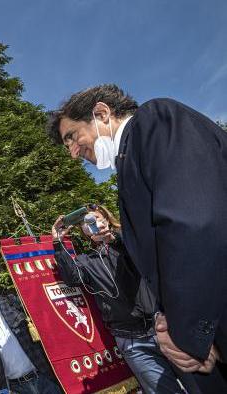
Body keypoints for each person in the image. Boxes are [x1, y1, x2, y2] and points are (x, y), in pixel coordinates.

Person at [46, 84, 227, 392]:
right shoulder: (129, 162)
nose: (73, 153)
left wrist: (188, 335)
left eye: (72, 137)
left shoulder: (153, 121)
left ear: (102, 114)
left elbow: (194, 224)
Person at [52, 204, 196, 393]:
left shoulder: (127, 243)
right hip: (133, 343)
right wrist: (57, 242)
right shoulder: (86, 261)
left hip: (166, 329)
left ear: (106, 219)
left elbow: (144, 248)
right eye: (88, 223)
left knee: (200, 384)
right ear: (83, 231)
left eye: (97, 219)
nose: (94, 224)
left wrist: (113, 236)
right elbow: (72, 278)